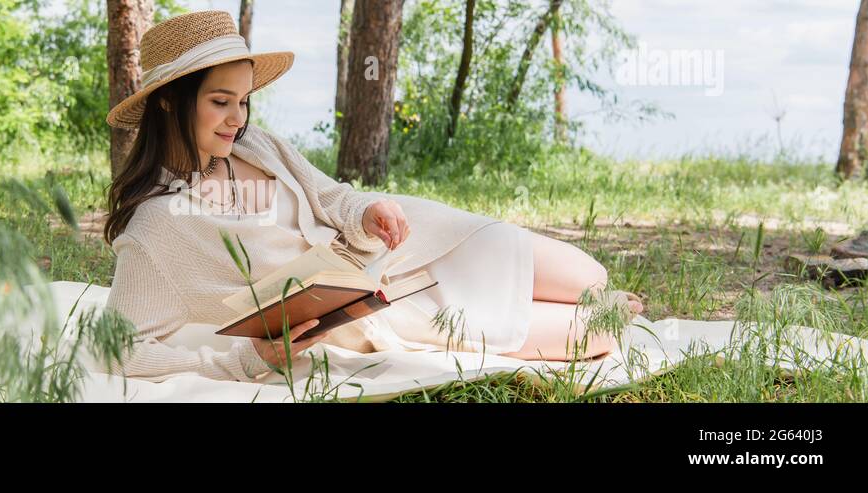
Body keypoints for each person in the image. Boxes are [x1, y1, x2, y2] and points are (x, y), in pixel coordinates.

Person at [101, 10, 643, 383]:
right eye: (221, 101)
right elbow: (121, 351)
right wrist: (246, 360)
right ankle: (598, 314)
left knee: (590, 276)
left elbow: (331, 196)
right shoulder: (155, 229)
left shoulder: (257, 145)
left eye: (243, 101)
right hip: (374, 309)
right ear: (170, 102)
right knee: (596, 331)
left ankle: (591, 298)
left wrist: (367, 210)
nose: (237, 119)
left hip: (407, 244)